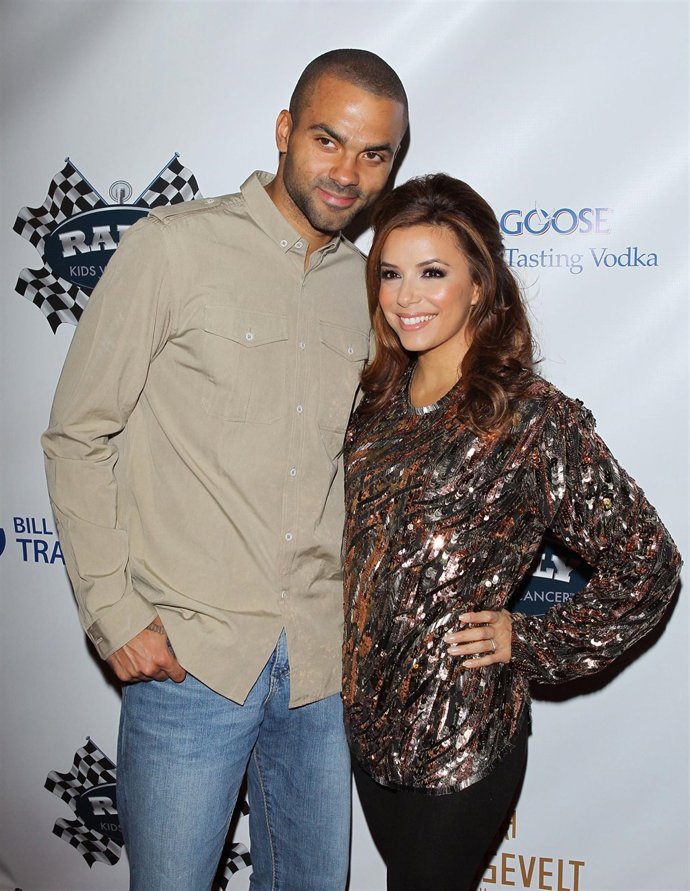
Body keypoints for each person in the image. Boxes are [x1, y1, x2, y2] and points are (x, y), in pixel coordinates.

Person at [42, 49, 408, 891]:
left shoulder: (366, 291)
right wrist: (114, 610)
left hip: (320, 668)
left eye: (374, 153)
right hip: (192, 659)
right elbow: (77, 434)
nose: (348, 172)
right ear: (285, 132)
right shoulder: (173, 249)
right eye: (328, 139)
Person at [342, 173, 681, 891]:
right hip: (370, 735)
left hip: (463, 737)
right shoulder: (376, 401)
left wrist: (528, 639)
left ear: (478, 285)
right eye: (391, 274)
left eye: (433, 273)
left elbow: (647, 561)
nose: (407, 297)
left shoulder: (529, 415)